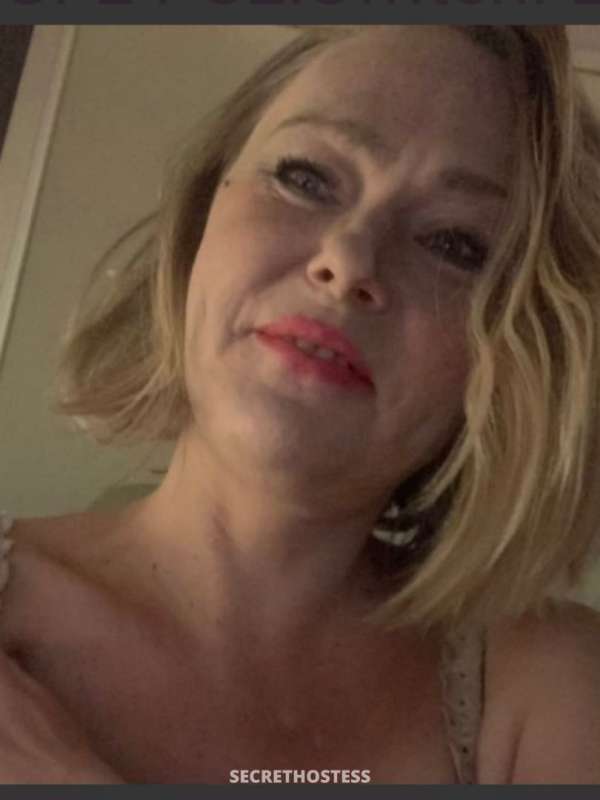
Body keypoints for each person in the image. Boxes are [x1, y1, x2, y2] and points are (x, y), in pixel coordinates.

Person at [1, 24, 600, 785]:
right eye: (306, 178)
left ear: (519, 357)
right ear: (200, 222)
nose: (348, 260)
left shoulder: (548, 688)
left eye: (453, 243)